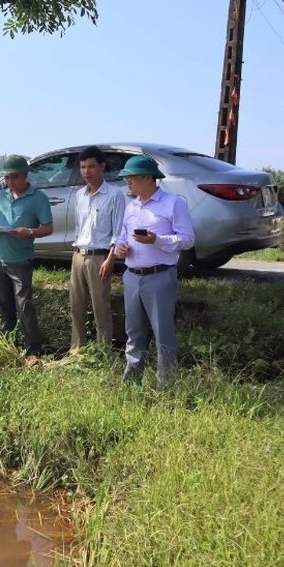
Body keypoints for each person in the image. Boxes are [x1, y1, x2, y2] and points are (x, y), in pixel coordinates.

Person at [114, 154, 195, 387]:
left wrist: (157, 240)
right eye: (126, 179)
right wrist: (121, 248)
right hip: (132, 276)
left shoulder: (173, 203)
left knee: (163, 333)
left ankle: (165, 385)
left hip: (160, 275)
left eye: (131, 178)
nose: (127, 183)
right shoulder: (131, 207)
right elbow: (122, 235)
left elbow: (188, 239)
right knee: (133, 332)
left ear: (148, 178)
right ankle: (132, 382)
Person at [0, 155, 53, 357]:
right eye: (7, 178)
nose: (10, 182)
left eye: (14, 177)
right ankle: (10, 344)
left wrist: (29, 232)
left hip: (20, 260)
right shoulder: (1, 196)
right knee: (4, 304)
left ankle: (33, 348)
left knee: (24, 304)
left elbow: (48, 228)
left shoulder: (38, 198)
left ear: (25, 176)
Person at [69, 146, 125, 352]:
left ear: (102, 166)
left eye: (91, 166)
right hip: (78, 255)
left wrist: (110, 259)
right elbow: (79, 227)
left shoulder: (114, 195)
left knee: (101, 306)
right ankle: (76, 349)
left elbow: (118, 232)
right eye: (83, 167)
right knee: (76, 306)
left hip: (99, 257)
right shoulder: (79, 196)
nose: (86, 171)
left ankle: (103, 351)